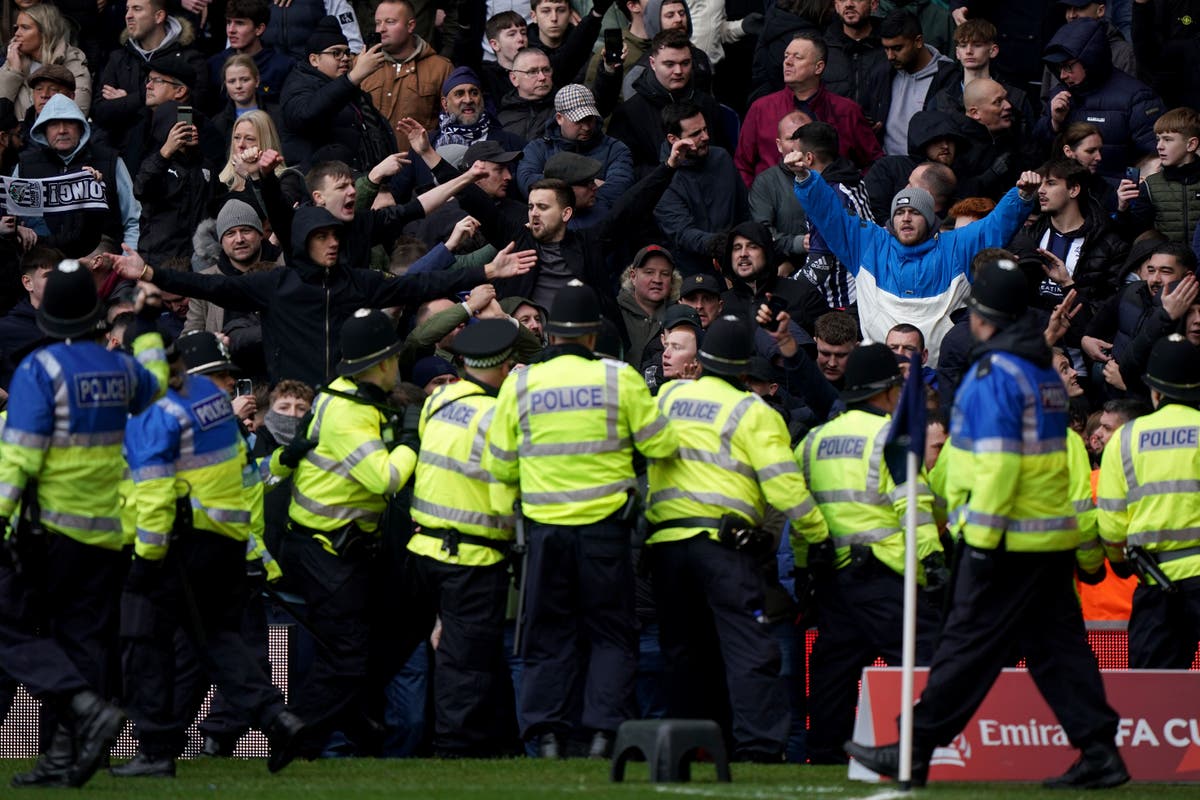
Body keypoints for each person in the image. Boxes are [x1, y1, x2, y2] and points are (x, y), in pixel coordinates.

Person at [845, 257, 1128, 790]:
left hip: (1006, 539)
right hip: (1046, 536)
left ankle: (912, 748)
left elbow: (996, 463)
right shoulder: (1039, 367)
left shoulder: (996, 372)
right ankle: (1099, 751)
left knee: (967, 647)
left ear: (980, 316)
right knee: (1057, 651)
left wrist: (978, 541)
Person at [483, 282, 679, 759]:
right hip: (606, 532)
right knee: (612, 635)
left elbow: (499, 464)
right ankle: (602, 735)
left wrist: (507, 522)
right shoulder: (621, 379)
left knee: (548, 634)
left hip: (543, 533)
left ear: (550, 334)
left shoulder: (522, 383)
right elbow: (663, 446)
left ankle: (546, 735)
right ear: (593, 333)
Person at [0, 261, 167, 788]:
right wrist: (145, 331)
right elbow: (156, 390)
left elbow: (19, 460)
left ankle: (81, 707)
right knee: (83, 645)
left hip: (48, 531)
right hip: (106, 533)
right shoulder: (120, 368)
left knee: (10, 629)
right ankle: (61, 758)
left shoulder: (39, 369)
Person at [116, 333, 306, 777]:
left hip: (177, 547)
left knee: (148, 647)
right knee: (216, 643)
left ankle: (156, 752)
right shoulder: (216, 412)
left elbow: (157, 491)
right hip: (226, 544)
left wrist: (145, 557)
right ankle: (276, 719)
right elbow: (244, 483)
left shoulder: (156, 414)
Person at [644, 313, 829, 762]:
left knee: (684, 651)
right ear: (746, 369)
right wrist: (817, 535)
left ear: (702, 361)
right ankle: (759, 748)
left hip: (665, 544)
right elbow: (784, 487)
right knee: (749, 647)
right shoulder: (753, 412)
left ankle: (691, 746)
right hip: (725, 548)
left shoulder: (668, 397)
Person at [280, 309, 420, 757]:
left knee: (390, 632)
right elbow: (385, 479)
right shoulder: (347, 413)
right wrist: (412, 444)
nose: (398, 364)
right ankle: (293, 736)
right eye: (394, 356)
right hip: (325, 550)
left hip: (343, 549)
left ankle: (349, 719)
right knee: (347, 655)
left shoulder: (351, 397)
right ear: (381, 363)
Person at [800, 343, 945, 764]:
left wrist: (808, 569)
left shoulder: (813, 441)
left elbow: (800, 508)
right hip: (888, 573)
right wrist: (933, 561)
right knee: (927, 658)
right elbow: (911, 505)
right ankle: (922, 751)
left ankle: (825, 757)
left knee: (834, 671)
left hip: (833, 574)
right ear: (886, 391)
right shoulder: (891, 437)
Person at [784, 149, 1041, 364]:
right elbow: (830, 214)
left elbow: (995, 225)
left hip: (939, 375)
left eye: (914, 212)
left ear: (930, 219)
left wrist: (1022, 196)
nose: (905, 218)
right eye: (900, 212)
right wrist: (805, 177)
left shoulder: (957, 245)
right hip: (883, 377)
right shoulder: (868, 244)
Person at [404, 318, 521, 756]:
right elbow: (502, 488)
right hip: (472, 557)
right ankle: (454, 751)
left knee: (458, 654)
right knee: (465, 663)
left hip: (424, 549)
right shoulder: (497, 415)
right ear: (506, 366)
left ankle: (487, 744)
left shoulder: (440, 399)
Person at [1097, 334, 1200, 668]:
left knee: (1151, 696)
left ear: (1154, 392)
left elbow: (1112, 524)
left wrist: (1119, 559)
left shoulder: (1125, 439)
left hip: (1157, 584)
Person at [736, 31, 882, 183]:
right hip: (773, 201)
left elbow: (874, 162)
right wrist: (756, 201)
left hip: (830, 200)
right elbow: (742, 165)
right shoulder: (761, 108)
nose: (788, 62)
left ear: (818, 67)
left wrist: (851, 194)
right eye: (786, 56)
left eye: (797, 57)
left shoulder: (847, 111)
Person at [1037, 17, 1163, 182]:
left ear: (1090, 60)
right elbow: (1037, 151)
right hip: (1069, 198)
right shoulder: (1059, 96)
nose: (1062, 75)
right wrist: (1053, 123)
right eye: (1059, 68)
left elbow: (1157, 155)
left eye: (1068, 67)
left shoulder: (1137, 97)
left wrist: (1131, 191)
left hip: (1116, 198)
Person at [14, 94, 141, 259]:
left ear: (81, 126)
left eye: (69, 122)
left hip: (101, 268)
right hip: (43, 269)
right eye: (53, 124)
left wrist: (126, 262)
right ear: (43, 129)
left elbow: (133, 220)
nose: (62, 130)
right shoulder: (26, 166)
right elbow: (11, 218)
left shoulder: (110, 161)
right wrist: (16, 228)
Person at [90, 0, 208, 166]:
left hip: (174, 164)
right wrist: (145, 99)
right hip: (123, 160)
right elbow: (100, 112)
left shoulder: (189, 58)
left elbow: (191, 110)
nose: (128, 16)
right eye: (127, 9)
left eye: (137, 9)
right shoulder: (118, 58)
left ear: (159, 16)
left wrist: (126, 101)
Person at [279, 16, 397, 172]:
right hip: (320, 186)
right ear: (314, 60)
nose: (345, 58)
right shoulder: (297, 84)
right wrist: (353, 77)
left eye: (347, 52)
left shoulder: (346, 86)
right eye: (336, 53)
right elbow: (306, 115)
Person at [607, 28, 729, 176]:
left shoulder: (706, 104)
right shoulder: (629, 114)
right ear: (652, 63)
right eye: (669, 64)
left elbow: (723, 155)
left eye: (685, 63)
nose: (678, 71)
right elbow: (626, 169)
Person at [516, 84, 635, 226]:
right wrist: (584, 187)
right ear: (559, 118)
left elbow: (619, 188)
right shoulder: (538, 148)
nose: (586, 127)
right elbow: (527, 182)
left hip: (598, 228)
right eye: (579, 121)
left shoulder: (615, 149)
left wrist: (553, 191)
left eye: (590, 119)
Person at [655, 100, 747, 276]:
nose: (705, 137)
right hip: (693, 272)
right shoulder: (663, 180)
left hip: (737, 261)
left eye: (705, 129)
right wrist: (719, 243)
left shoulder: (722, 158)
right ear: (673, 139)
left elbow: (743, 209)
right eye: (696, 133)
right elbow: (681, 233)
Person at [362, 0, 454, 152]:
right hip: (372, 168)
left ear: (410, 26)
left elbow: (451, 125)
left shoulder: (441, 68)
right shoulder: (362, 65)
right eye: (378, 23)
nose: (381, 29)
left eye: (390, 22)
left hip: (419, 165)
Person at [864, 10, 956, 157]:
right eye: (886, 48)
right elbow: (867, 111)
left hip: (927, 171)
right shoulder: (882, 73)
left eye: (897, 48)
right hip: (885, 166)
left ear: (918, 41)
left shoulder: (948, 77)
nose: (890, 56)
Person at [1118, 106, 1200, 245]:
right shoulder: (1150, 186)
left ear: (1191, 144)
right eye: (1158, 139)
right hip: (1164, 264)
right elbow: (1132, 237)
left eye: (1167, 140)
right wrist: (1122, 209)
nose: (1159, 146)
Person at [0, 3, 92, 118]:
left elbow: (77, 112)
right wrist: (13, 72)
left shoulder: (72, 60)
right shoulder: (15, 59)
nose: (17, 34)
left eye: (25, 27)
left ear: (45, 32)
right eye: (16, 28)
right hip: (19, 134)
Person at [205, 0, 296, 101]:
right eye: (228, 22)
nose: (231, 30)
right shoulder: (215, 64)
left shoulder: (283, 67)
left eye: (240, 23)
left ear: (259, 29)